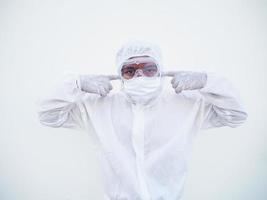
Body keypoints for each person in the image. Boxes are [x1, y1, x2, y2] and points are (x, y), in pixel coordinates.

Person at [37, 40, 248, 200]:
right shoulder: (97, 107)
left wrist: (206, 81)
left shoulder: (188, 105)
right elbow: (49, 115)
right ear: (119, 75)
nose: (140, 75)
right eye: (129, 70)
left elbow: (236, 115)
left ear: (160, 71)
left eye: (149, 69)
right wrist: (76, 83)